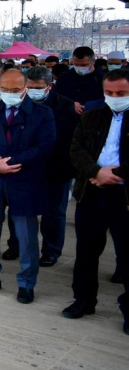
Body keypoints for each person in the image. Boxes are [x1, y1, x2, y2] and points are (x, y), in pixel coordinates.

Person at [0, 68, 56, 303]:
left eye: (15, 90)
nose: (10, 94)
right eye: (4, 89)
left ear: (26, 88)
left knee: (26, 235)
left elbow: (45, 146)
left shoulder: (42, 114)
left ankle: (27, 283)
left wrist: (11, 163)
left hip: (24, 179)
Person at [62, 68, 129, 333]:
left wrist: (112, 175)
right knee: (87, 251)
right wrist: (96, 172)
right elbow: (76, 149)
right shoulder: (92, 115)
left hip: (124, 196)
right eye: (109, 93)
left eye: (121, 93)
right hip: (91, 190)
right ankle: (84, 300)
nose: (114, 97)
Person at [1, 67, 77, 266]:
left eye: (38, 87)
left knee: (54, 213)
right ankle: (15, 245)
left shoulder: (66, 106)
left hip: (55, 168)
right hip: (22, 165)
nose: (33, 91)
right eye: (30, 87)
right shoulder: (17, 103)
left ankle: (51, 251)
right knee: (18, 210)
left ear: (49, 86)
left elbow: (69, 140)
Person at [55, 46, 105, 114]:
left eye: (84, 65)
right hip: (69, 118)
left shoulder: (103, 78)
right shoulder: (64, 77)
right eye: (76, 64)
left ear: (93, 61)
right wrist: (69, 104)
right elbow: (55, 96)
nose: (79, 68)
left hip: (95, 117)